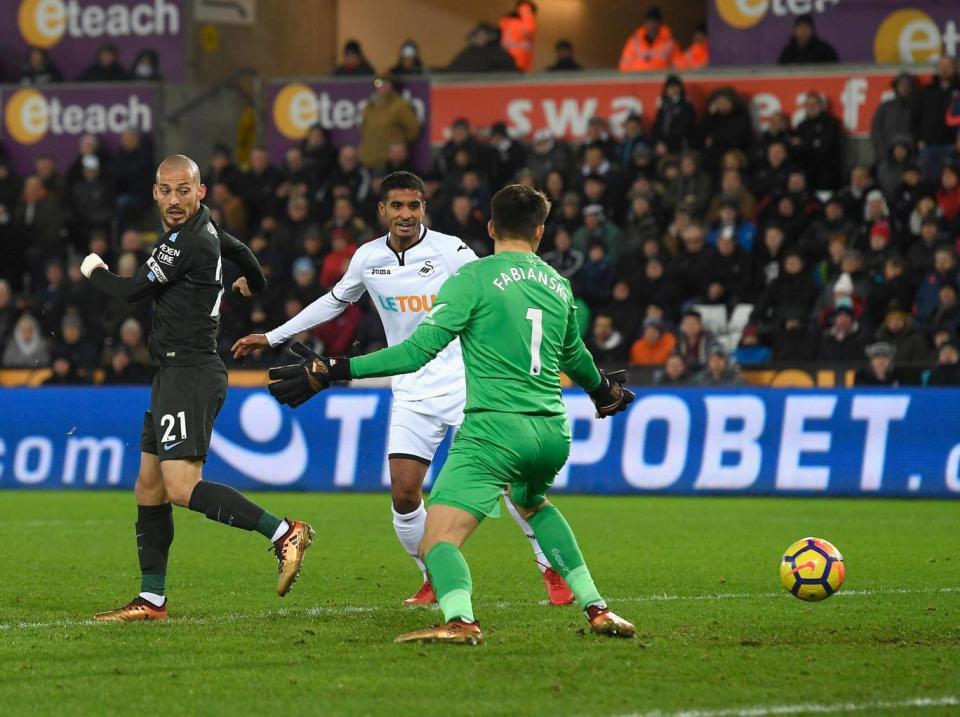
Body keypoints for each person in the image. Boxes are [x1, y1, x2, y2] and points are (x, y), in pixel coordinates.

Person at [265, 184, 636, 645]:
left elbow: (417, 351)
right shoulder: (558, 285)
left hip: (493, 433)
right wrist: (604, 391)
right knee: (534, 503)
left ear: (491, 228)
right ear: (540, 232)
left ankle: (460, 619)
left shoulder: (471, 278)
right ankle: (597, 607)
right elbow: (575, 356)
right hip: (552, 432)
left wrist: (338, 368)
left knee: (436, 540)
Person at [232, 172, 575, 607]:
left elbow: (498, 291)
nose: (406, 215)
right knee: (404, 492)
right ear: (382, 210)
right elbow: (335, 300)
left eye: (414, 206)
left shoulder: (451, 251)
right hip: (412, 389)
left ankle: (551, 569)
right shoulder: (367, 258)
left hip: (464, 383)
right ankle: (432, 575)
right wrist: (274, 336)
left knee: (510, 483)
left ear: (423, 208)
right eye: (397, 206)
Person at [79, 155, 313, 622]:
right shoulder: (207, 230)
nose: (174, 200)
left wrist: (93, 269)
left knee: (182, 488)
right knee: (149, 487)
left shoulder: (184, 242)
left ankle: (283, 530)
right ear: (154, 192)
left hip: (189, 372)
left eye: (183, 190)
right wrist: (255, 284)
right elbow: (243, 252)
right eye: (166, 191)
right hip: (173, 373)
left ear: (200, 191)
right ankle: (152, 599)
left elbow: (129, 292)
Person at [358, 75, 421, 169]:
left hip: (390, 161)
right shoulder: (370, 106)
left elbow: (413, 129)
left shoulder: (400, 105)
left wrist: (399, 143)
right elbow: (364, 127)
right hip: (369, 158)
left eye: (385, 84)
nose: (381, 87)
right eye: (378, 84)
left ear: (392, 86)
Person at [871, 72, 916, 162]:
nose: (904, 87)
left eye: (907, 84)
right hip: (886, 155)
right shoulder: (885, 107)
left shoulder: (917, 107)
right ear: (896, 87)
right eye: (901, 84)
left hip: (911, 155)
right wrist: (885, 150)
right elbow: (876, 130)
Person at [619, 6, 678, 72]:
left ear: (660, 24)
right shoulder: (634, 41)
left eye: (655, 22)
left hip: (660, 80)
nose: (652, 25)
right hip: (637, 80)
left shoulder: (670, 43)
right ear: (645, 23)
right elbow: (624, 65)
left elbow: (677, 66)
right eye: (649, 21)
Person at [446, 23, 518, 73]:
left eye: (482, 35)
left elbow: (511, 74)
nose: (478, 38)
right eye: (477, 35)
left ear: (490, 36)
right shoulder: (469, 52)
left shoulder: (497, 53)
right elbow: (454, 70)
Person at [499, 1, 537, 73]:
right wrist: (526, 10)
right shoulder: (519, 22)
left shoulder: (506, 21)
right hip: (512, 64)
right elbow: (529, 29)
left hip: (514, 64)